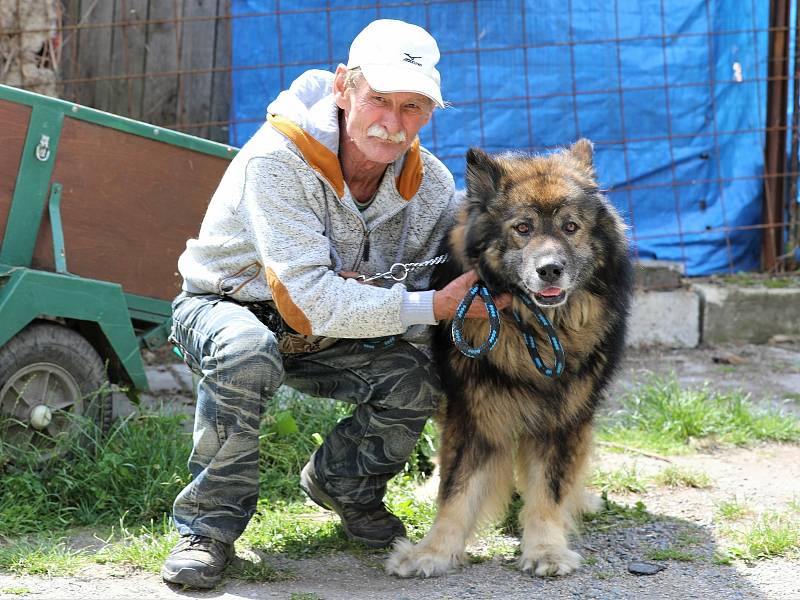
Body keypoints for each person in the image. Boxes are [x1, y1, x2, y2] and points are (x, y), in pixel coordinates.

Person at [161, 19, 507, 589]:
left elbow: (442, 282)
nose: (394, 125)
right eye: (379, 100)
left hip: (339, 323)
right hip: (229, 306)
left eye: (414, 107)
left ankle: (344, 484)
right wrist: (425, 307)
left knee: (422, 378)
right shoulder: (277, 159)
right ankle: (208, 530)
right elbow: (307, 302)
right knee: (248, 354)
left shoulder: (433, 185)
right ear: (345, 87)